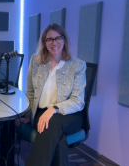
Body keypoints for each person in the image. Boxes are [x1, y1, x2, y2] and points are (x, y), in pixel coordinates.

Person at [17, 23, 86, 166]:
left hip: (70, 115)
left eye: (58, 38)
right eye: (50, 39)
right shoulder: (35, 61)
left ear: (64, 40)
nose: (54, 43)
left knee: (52, 123)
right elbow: (30, 91)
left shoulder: (77, 65)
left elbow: (78, 101)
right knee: (57, 139)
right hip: (42, 114)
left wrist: (53, 109)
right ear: (44, 42)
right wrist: (29, 114)